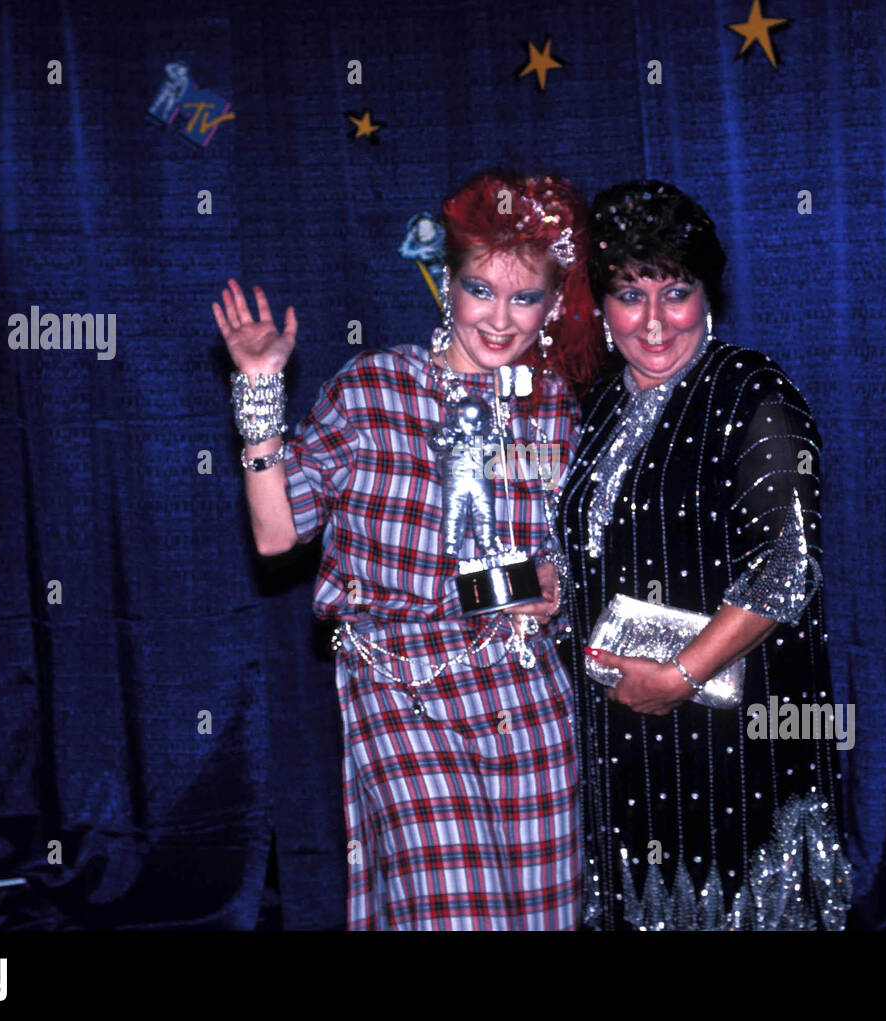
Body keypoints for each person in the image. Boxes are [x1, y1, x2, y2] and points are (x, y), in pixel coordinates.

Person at [212, 171, 603, 930]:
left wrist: (548, 579)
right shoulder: (372, 388)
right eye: (480, 289)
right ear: (446, 284)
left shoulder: (553, 406)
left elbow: (559, 572)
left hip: (526, 700)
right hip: (402, 691)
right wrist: (259, 401)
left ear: (552, 304)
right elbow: (275, 533)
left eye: (524, 297)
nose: (500, 318)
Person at [556, 180, 853, 930]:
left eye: (675, 291)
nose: (653, 321)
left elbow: (788, 564)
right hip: (620, 734)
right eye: (629, 293)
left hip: (735, 736)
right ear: (602, 303)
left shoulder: (754, 392)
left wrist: (682, 675)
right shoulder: (593, 406)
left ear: (707, 294)